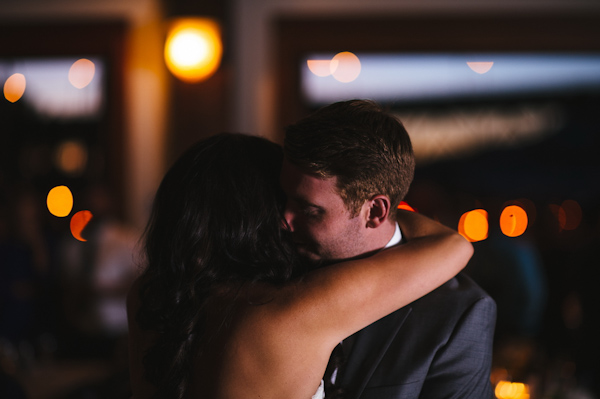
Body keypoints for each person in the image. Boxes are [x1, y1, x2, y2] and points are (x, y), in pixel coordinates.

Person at [127, 132, 473, 399]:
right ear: (261, 214)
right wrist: (372, 206)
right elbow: (453, 245)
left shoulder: (149, 295)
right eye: (285, 201)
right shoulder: (292, 311)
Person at [282, 99, 497, 399]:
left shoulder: (458, 314)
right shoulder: (273, 269)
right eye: (285, 200)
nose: (284, 220)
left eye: (309, 209)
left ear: (375, 212)